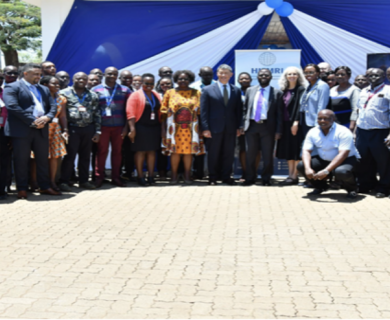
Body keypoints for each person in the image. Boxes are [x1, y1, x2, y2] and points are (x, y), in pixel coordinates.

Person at [3, 63, 60, 199]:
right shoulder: (12, 87)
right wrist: (33, 121)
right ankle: (22, 188)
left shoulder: (44, 89)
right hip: (22, 130)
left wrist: (46, 118)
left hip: (41, 129)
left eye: (39, 74)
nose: (38, 76)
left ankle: (44, 186)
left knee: (42, 159)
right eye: (35, 74)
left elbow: (53, 106)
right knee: (21, 160)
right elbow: (12, 106)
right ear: (25, 74)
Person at [297, 110, 360, 198]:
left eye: (326, 118)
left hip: (346, 160)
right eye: (320, 118)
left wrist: (326, 171)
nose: (322, 121)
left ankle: (352, 189)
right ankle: (321, 187)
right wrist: (307, 168)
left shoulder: (343, 131)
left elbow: (343, 154)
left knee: (341, 171)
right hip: (324, 159)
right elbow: (306, 151)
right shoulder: (313, 131)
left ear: (333, 119)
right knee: (301, 166)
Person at [58, 72, 101, 191]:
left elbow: (97, 114)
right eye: (78, 78)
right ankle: (64, 181)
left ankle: (84, 181)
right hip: (72, 128)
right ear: (73, 79)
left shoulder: (93, 95)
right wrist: (64, 130)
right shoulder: (64, 93)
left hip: (88, 128)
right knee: (69, 156)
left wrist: (97, 131)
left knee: (85, 156)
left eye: (84, 78)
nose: (81, 80)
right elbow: (61, 113)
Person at [201, 64, 242, 186]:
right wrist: (205, 128)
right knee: (213, 153)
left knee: (228, 153)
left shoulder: (236, 90)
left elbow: (238, 111)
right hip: (213, 128)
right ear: (217, 74)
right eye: (221, 73)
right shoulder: (207, 89)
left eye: (226, 73)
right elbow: (204, 111)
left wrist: (239, 127)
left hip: (230, 128)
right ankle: (212, 177)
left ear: (231, 75)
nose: (223, 75)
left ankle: (226, 176)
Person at [161, 70, 204, 184]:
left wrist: (201, 129)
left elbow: (200, 112)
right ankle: (174, 176)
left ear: (190, 80)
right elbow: (163, 111)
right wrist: (163, 129)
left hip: (191, 128)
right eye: (180, 79)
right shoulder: (170, 93)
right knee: (174, 152)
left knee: (188, 152)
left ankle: (187, 175)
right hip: (173, 129)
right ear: (176, 80)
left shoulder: (197, 93)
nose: (183, 81)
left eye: (185, 79)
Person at [242, 69, 283, 186]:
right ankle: (250, 178)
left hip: (268, 127)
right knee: (250, 154)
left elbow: (279, 114)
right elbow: (245, 109)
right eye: (261, 75)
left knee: (267, 155)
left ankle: (266, 178)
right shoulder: (250, 90)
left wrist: (278, 130)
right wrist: (242, 125)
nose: (263, 76)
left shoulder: (277, 92)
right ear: (257, 77)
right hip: (251, 126)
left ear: (271, 77)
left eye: (266, 75)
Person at [92, 66, 131, 188]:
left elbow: (129, 111)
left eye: (114, 74)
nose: (112, 76)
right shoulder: (95, 90)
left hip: (119, 126)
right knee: (101, 152)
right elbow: (93, 109)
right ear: (104, 75)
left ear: (117, 76)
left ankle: (116, 177)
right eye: (109, 74)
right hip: (103, 126)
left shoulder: (125, 90)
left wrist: (126, 128)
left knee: (117, 152)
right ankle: (99, 178)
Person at [355, 68, 390, 198]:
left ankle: (384, 188)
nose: (374, 77)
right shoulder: (364, 91)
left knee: (383, 162)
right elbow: (359, 110)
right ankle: (366, 185)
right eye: (371, 75)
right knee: (364, 160)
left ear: (383, 77)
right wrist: (355, 131)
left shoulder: (388, 90)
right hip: (363, 131)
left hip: (381, 132)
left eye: (377, 75)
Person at [31, 76, 68, 191]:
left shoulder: (61, 99)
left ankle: (52, 182)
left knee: (54, 156)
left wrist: (65, 130)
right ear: (45, 85)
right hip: (40, 128)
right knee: (36, 156)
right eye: (54, 84)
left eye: (58, 84)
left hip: (55, 129)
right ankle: (34, 183)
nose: (58, 86)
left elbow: (62, 116)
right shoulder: (38, 97)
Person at [127, 73, 162, 186]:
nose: (149, 86)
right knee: (140, 152)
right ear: (141, 83)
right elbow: (130, 113)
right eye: (146, 83)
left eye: (151, 84)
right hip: (140, 127)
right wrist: (132, 129)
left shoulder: (156, 94)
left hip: (154, 128)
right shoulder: (135, 95)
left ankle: (151, 176)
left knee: (152, 152)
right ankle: (140, 176)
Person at [276, 67, 306, 186]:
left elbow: (300, 107)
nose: (292, 76)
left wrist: (296, 122)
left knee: (295, 149)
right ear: (286, 76)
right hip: (284, 124)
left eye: (295, 74)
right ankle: (290, 175)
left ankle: (295, 175)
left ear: (298, 76)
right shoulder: (283, 90)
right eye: (289, 74)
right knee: (288, 150)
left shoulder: (301, 89)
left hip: (295, 124)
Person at [190, 66, 216, 180]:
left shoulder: (217, 86)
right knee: (198, 149)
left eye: (209, 74)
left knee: (214, 149)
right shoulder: (193, 87)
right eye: (205, 75)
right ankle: (198, 172)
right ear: (200, 75)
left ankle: (214, 173)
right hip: (197, 122)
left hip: (215, 122)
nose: (207, 77)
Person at [299, 64, 330, 138]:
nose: (308, 74)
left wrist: (318, 123)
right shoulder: (308, 86)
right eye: (306, 72)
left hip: (314, 122)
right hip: (305, 120)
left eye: (311, 72)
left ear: (318, 73)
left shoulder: (322, 85)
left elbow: (322, 105)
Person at [236, 72, 255, 180]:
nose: (244, 80)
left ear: (250, 80)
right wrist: (240, 125)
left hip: (253, 124)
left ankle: (254, 173)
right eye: (241, 78)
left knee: (255, 149)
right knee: (242, 149)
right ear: (238, 80)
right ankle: (245, 173)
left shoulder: (255, 90)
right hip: (240, 125)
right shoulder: (236, 91)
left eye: (246, 78)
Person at [330, 66, 361, 130]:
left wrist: (352, 126)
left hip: (346, 124)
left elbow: (355, 109)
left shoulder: (354, 90)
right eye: (337, 74)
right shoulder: (332, 89)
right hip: (333, 124)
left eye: (342, 74)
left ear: (349, 76)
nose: (339, 76)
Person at [156, 76, 173, 179]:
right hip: (159, 125)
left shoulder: (177, 95)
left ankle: (176, 172)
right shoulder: (156, 95)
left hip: (175, 126)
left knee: (175, 150)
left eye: (168, 84)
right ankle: (162, 172)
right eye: (162, 84)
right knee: (161, 150)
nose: (165, 86)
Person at [0, 72, 11, 200]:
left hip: (3, 132)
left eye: (0, 79)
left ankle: (2, 190)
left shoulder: (5, 94)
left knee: (4, 162)